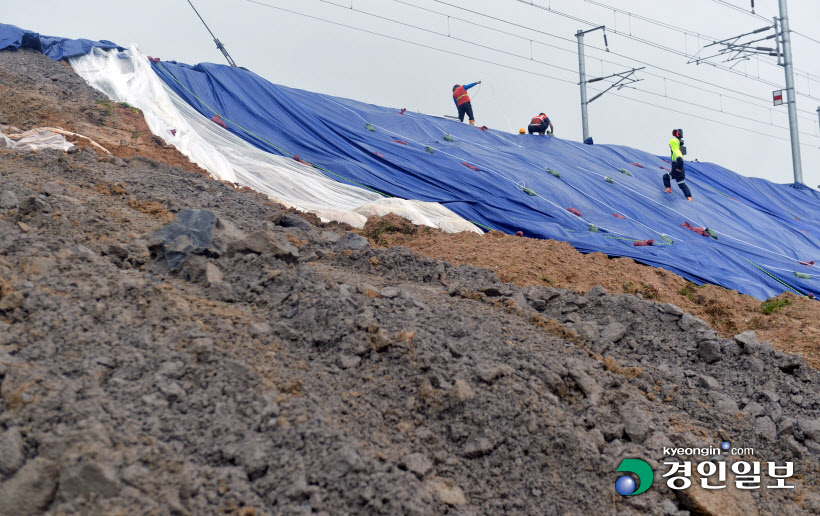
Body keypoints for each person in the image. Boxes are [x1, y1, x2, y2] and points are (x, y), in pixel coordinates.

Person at [664, 128, 692, 201]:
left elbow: (680, 160)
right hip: (677, 172)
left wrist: (678, 168)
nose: (669, 146)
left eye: (670, 144)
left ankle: (668, 189)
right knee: (681, 184)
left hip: (677, 171)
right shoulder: (676, 151)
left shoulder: (676, 151)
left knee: (667, 177)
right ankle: (689, 198)